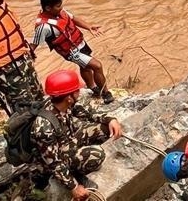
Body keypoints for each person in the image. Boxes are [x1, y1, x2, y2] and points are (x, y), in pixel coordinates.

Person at [32, 69, 123, 200]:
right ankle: (76, 173)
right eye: (77, 91)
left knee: (104, 129)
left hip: (66, 142)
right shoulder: (44, 128)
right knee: (97, 155)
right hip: (53, 159)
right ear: (69, 97)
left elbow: (88, 114)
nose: (79, 92)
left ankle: (76, 163)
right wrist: (74, 187)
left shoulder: (63, 102)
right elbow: (53, 163)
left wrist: (110, 119)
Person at [32, 0, 113, 104]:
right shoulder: (43, 27)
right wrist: (28, 57)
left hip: (80, 43)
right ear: (48, 8)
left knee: (85, 67)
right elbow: (34, 44)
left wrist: (89, 27)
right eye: (58, 5)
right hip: (71, 52)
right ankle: (105, 93)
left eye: (61, 4)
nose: (61, 7)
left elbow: (74, 19)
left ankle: (93, 88)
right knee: (97, 66)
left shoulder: (61, 12)